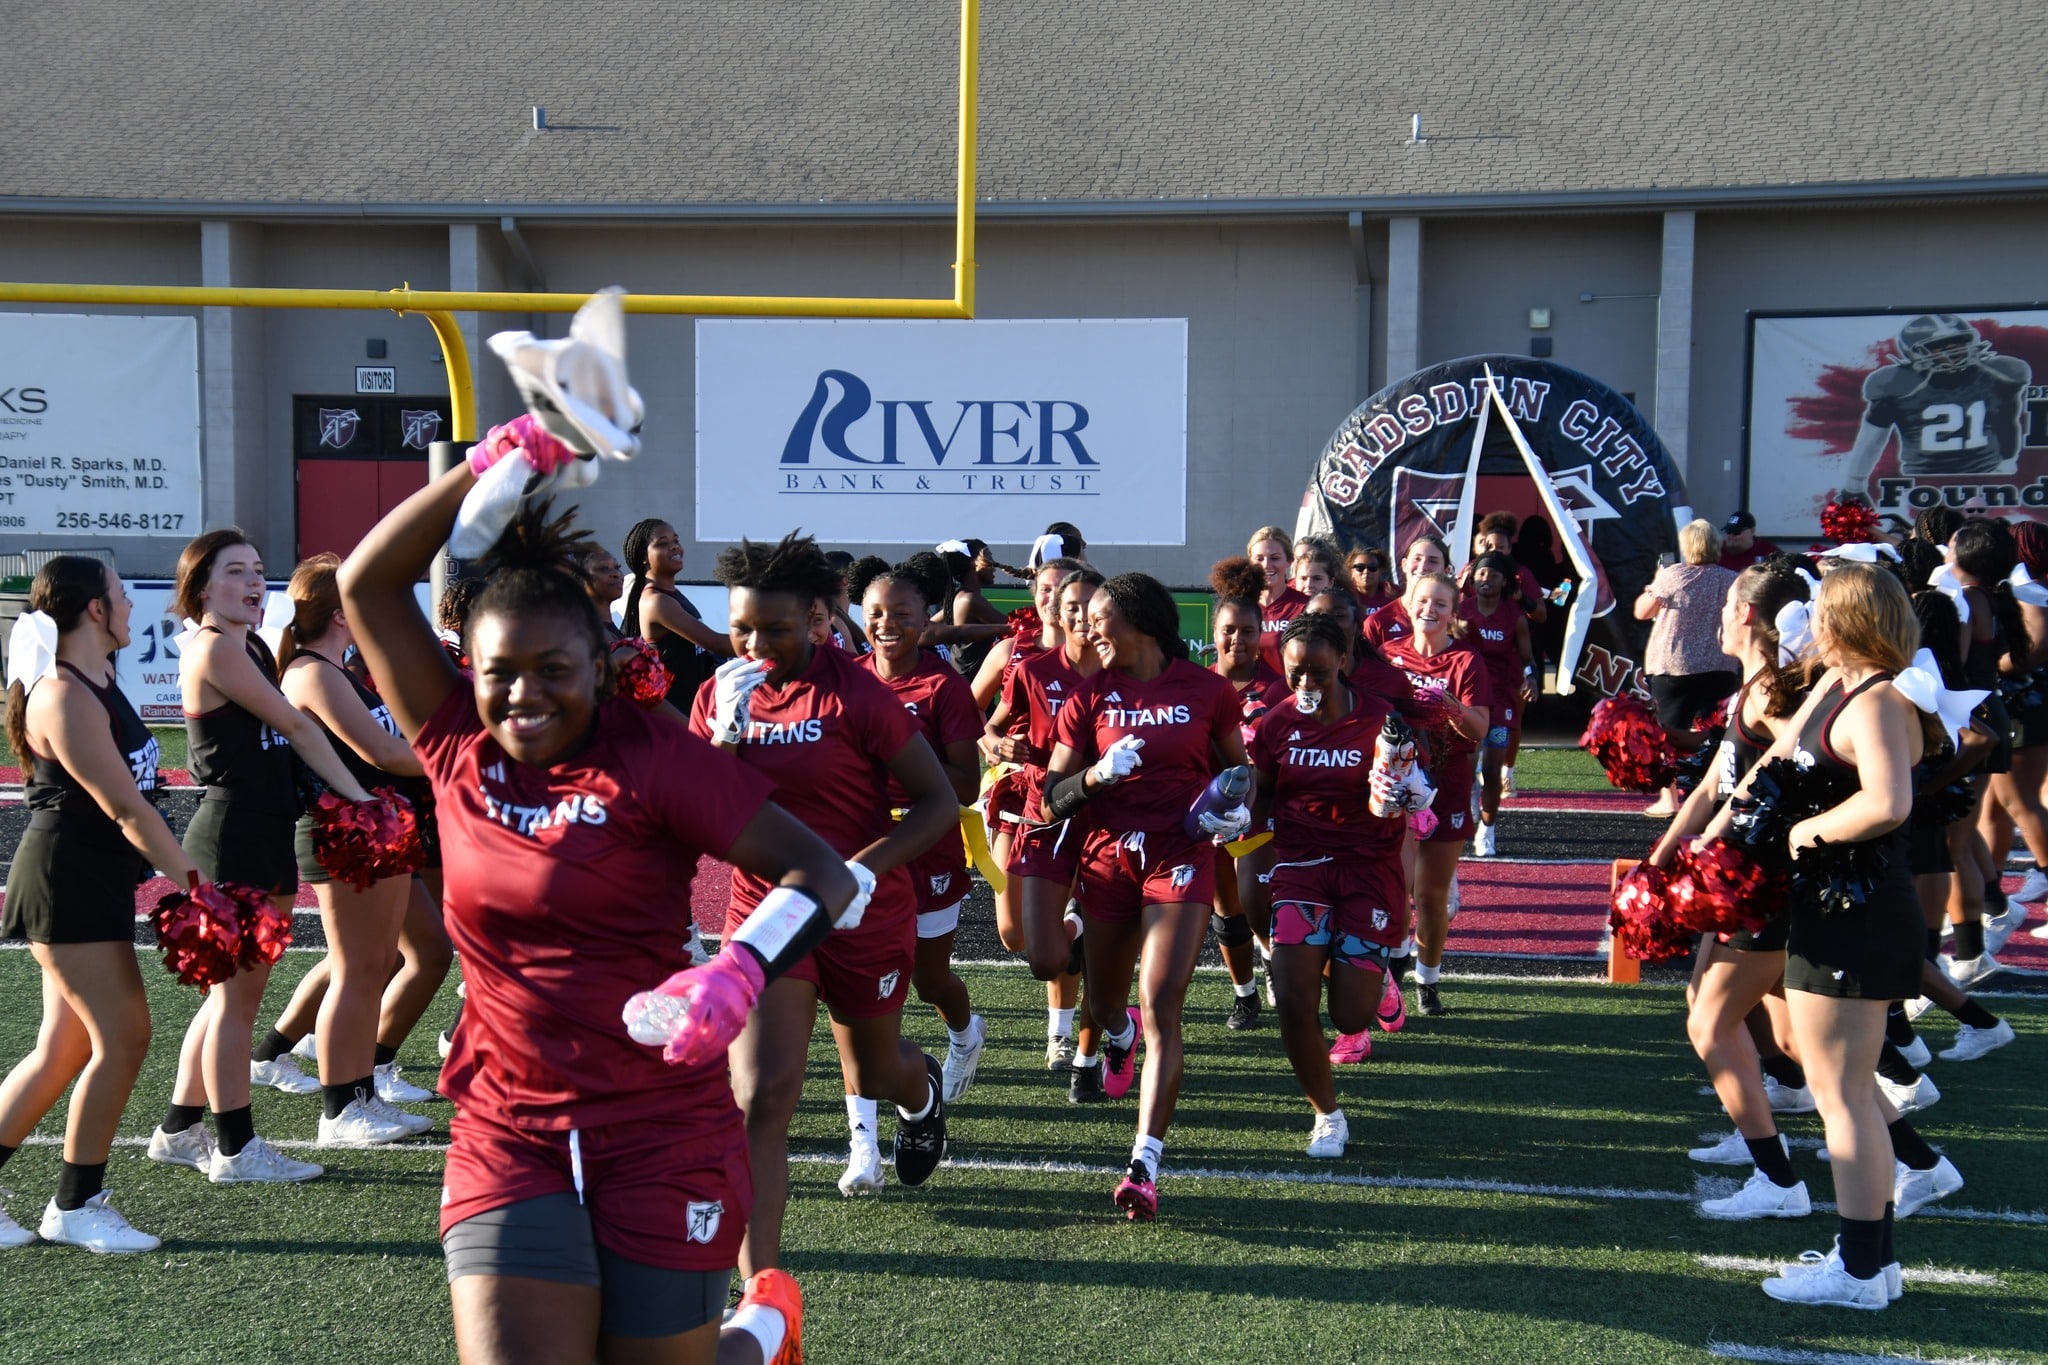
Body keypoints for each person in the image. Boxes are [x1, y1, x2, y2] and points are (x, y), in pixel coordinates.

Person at [341, 461, 851, 1363]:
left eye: (552, 669)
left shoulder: (652, 757)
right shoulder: (455, 737)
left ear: (600, 664)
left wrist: (740, 966)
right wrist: (494, 455)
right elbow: (366, 584)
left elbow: (821, 873)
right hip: (509, 1130)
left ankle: (762, 1329)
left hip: (662, 1132)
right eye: (501, 672)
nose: (524, 694)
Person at [689, 532, 958, 1271]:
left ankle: (921, 1091)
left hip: (862, 910)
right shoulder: (720, 692)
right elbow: (701, 819)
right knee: (760, 1097)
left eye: (773, 628)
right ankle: (759, 1295)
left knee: (873, 1074)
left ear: (814, 616)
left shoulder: (859, 691)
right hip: (766, 910)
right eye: (741, 627)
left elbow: (939, 801)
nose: (754, 642)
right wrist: (721, 741)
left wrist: (866, 872)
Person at [1705, 564, 1943, 1310]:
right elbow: (1775, 762)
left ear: (1845, 621)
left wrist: (1809, 830)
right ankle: (1875, 1260)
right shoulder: (1833, 684)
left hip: (1858, 909)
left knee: (1843, 1095)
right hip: (1827, 904)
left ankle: (1861, 1269)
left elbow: (1888, 800)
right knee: (1843, 1088)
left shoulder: (1878, 698)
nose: (1808, 622)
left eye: (1821, 612)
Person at [147, 529, 375, 1187]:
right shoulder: (217, 648)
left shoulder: (244, 643)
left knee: (228, 1001)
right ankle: (236, 1149)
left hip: (261, 835)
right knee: (234, 1006)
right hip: (233, 841)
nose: (254, 583)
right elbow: (299, 726)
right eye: (235, 572)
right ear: (202, 587)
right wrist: (359, 794)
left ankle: (177, 1128)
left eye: (258, 570)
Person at [0, 559, 195, 1253]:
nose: (132, 607)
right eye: (120, 596)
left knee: (64, 1046)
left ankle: (74, 1199)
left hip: (94, 880)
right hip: (66, 880)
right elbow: (124, 804)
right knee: (125, 1035)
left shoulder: (103, 680)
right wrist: (195, 878)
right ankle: (77, 1203)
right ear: (93, 611)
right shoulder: (63, 695)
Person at [1043, 572, 1251, 1220]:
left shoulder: (1208, 691)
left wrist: (1234, 813)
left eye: (1100, 621)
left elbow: (1237, 773)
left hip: (1179, 855)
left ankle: (1144, 1162)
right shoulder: (1088, 697)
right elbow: (1051, 797)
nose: (1088, 631)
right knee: (1106, 1003)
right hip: (1107, 860)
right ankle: (1118, 1031)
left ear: (1139, 623)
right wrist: (1096, 776)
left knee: (1161, 1000)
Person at [1649, 561, 1814, 1217]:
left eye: (1725, 607)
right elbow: (1721, 780)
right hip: (1739, 877)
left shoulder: (1776, 692)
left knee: (1713, 1022)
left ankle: (1779, 1180)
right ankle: (1768, 1139)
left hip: (1764, 880)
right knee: (1759, 1022)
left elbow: (1808, 773)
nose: (1716, 616)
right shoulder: (1752, 687)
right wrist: (1665, 852)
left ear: (1747, 614)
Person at [269, 554, 437, 1147]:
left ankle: (360, 1091)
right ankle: (340, 1110)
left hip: (371, 828)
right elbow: (382, 754)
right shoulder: (312, 673)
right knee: (357, 971)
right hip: (342, 833)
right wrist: (466, 760)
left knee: (376, 965)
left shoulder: (340, 669)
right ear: (341, 613)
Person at [847, 562, 988, 1189]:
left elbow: (966, 782)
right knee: (866, 1001)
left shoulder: (943, 687)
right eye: (876, 613)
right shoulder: (846, 680)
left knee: (929, 979)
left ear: (926, 618)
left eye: (902, 614)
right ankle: (865, 1147)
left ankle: (965, 1033)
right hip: (861, 849)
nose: (886, 626)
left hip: (926, 846)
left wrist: (910, 763)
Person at [1250, 610, 1407, 1157]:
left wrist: (1414, 790)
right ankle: (1327, 1115)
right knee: (1293, 1000)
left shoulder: (1383, 719)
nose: (1307, 683)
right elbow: (1262, 794)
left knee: (1349, 1016)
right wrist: (1232, 813)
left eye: (1318, 671)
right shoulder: (1276, 723)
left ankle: (1377, 977)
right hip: (1301, 869)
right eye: (1296, 672)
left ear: (1344, 661)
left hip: (1370, 871)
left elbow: (1409, 784)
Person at [986, 566, 1108, 1099]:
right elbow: (989, 724)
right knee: (1015, 933)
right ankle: (1077, 931)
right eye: (1067, 604)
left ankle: (1063, 1036)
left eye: (1087, 604)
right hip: (1036, 803)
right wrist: (996, 745)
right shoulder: (1031, 669)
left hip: (1102, 816)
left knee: (1061, 932)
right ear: (1054, 610)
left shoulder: (1120, 671)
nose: (1077, 614)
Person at [1381, 571, 1490, 1016]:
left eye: (1440, 603)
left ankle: (1428, 981)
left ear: (1453, 612)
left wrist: (1450, 706)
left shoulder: (1466, 661)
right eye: (1422, 600)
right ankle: (1391, 974)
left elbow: (1480, 728)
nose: (1429, 609)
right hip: (1397, 786)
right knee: (1394, 888)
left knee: (1430, 895)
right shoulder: (1387, 657)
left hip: (1447, 785)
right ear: (1408, 603)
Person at [1207, 558, 1285, 1025]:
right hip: (1208, 806)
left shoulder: (1278, 689)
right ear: (1213, 631)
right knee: (1224, 905)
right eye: (1229, 630)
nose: (1238, 639)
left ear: (1262, 632)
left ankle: (1278, 963)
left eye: (1248, 630)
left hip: (1261, 809)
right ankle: (1245, 992)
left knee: (1257, 900)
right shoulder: (1196, 683)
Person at [1635, 521, 1740, 818]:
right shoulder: (1732, 579)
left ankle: (1669, 800)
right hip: (1720, 664)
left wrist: (1655, 583)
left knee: (1667, 735)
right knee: (1715, 736)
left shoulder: (1673, 575)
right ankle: (1712, 795)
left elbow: (1642, 611)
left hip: (1674, 666)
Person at [1459, 553, 1535, 858]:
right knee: (1463, 767)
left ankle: (1487, 830)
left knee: (1493, 769)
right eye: (1481, 574)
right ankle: (1470, 791)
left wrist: (1530, 678)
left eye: (1492, 575)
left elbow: (1527, 657)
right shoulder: (1461, 611)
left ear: (1505, 581)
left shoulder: (1513, 616)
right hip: (1466, 698)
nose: (1485, 579)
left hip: (1501, 700)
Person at [621, 517, 733, 708]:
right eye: (663, 543)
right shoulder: (656, 601)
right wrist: (768, 642)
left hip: (691, 707)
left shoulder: (672, 594)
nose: (674, 547)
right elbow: (716, 643)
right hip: (676, 713)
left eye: (676, 541)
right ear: (644, 557)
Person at [1363, 534, 1449, 652]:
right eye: (1417, 559)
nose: (1423, 566)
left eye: (1433, 561)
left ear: (1446, 571)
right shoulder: (1377, 623)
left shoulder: (1455, 621)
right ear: (1404, 564)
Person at [937, 538, 1007, 679]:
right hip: (969, 682)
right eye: (990, 558)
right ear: (973, 563)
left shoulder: (960, 596)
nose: (994, 566)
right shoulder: (970, 600)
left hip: (963, 677)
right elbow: (1015, 627)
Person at [1248, 525, 1306, 671]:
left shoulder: (1305, 607)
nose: (1267, 565)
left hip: (1288, 691)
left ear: (1290, 560)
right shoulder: (1242, 607)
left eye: (1275, 558)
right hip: (1250, 692)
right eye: (1259, 559)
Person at [578, 544, 627, 642]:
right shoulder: (585, 633)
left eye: (617, 567)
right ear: (580, 579)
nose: (616, 574)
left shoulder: (608, 628)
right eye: (603, 569)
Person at [1346, 546, 1399, 615]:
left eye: (1372, 567)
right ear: (1351, 571)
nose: (1366, 571)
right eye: (1360, 567)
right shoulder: (1345, 596)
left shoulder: (1394, 594)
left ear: (1381, 571)